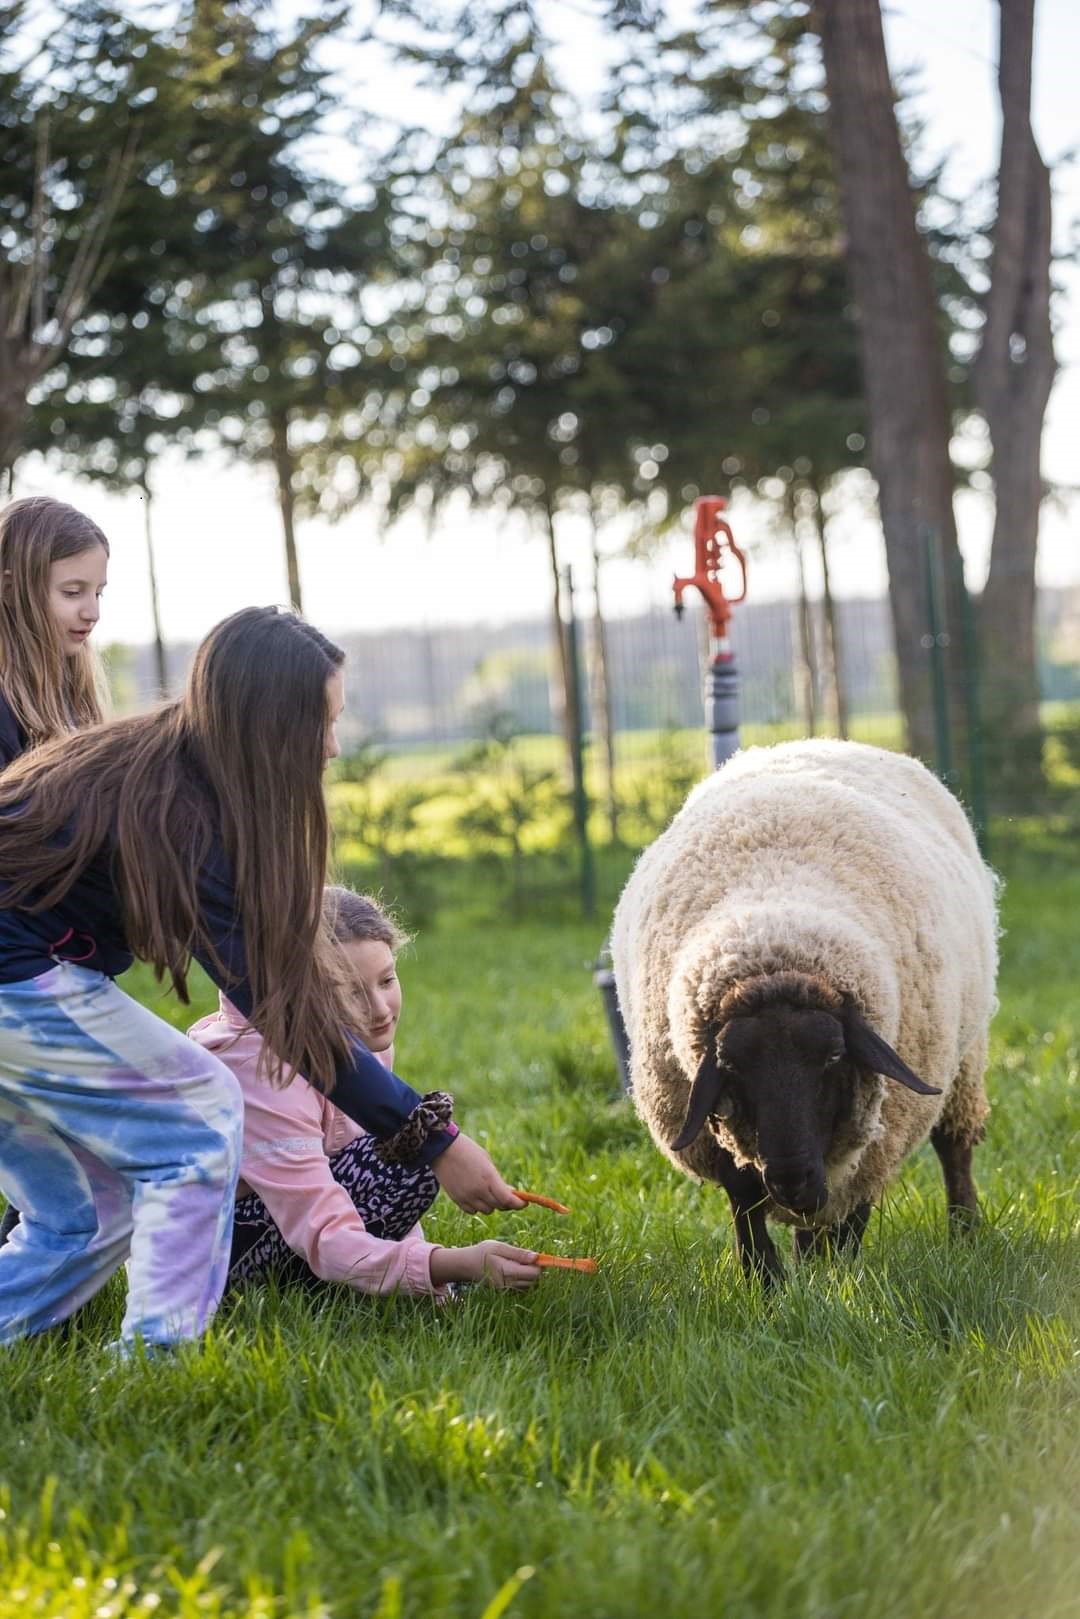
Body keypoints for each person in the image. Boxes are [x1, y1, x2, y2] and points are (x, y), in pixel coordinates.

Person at [0, 606, 522, 1350]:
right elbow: (282, 1013)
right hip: (16, 971)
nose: (334, 747)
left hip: (23, 973)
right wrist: (434, 1137)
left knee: (83, 1208)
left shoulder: (174, 775)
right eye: (323, 723)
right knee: (200, 1115)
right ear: (271, 724)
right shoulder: (184, 818)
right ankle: (157, 1359)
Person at [189, 888, 540, 1298]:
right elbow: (322, 1233)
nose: (378, 1009)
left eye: (387, 980)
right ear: (298, 992)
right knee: (411, 1155)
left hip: (285, 1226)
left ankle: (362, 1286)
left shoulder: (356, 1040)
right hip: (211, 1263)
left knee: (411, 1151)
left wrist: (435, 1288)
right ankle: (315, 1295)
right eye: (351, 992)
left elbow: (375, 1166)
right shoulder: (265, 1074)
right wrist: (453, 1263)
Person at [0, 495, 111, 1247]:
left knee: (64, 1172)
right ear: (13, 585)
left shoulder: (73, 690)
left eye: (100, 592)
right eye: (73, 592)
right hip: (18, 970)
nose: (92, 611)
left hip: (61, 956)